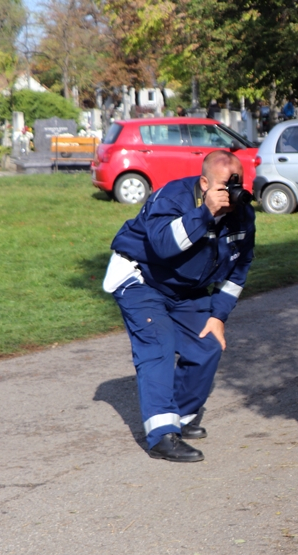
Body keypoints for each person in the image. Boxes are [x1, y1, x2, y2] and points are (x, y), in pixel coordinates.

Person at [102, 151, 256, 462]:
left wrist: (218, 315)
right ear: (204, 183)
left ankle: (181, 419)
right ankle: (162, 437)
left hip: (185, 289)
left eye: (237, 182)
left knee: (207, 346)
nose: (233, 191)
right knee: (158, 345)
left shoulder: (242, 214)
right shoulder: (172, 197)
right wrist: (204, 214)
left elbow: (240, 267)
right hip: (140, 278)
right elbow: (163, 245)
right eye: (226, 185)